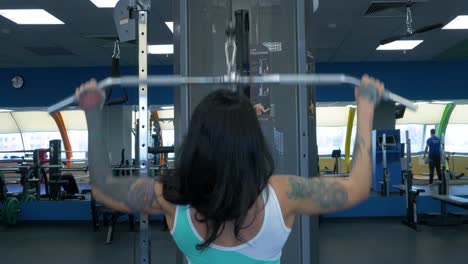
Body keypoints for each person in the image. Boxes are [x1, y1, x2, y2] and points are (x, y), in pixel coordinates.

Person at [76, 75, 384, 264]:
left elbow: (102, 185)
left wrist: (92, 112)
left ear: (196, 140)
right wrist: (367, 109)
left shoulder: (171, 197)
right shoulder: (284, 193)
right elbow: (357, 186)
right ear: (252, 142)